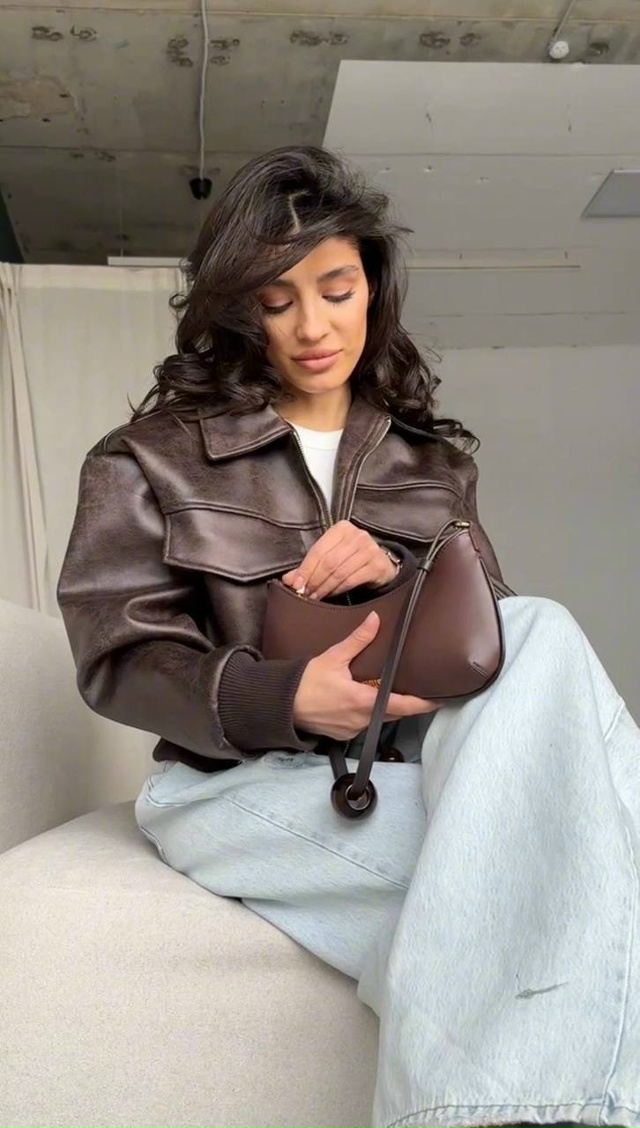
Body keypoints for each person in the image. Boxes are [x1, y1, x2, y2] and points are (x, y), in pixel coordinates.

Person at [58, 146, 640, 1128]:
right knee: (586, 867)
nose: (313, 326)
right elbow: (118, 655)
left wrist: (395, 576)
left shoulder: (431, 464)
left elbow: (497, 655)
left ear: (373, 285)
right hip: (233, 786)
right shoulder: (147, 460)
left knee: (539, 637)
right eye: (276, 301)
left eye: (336, 290)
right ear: (239, 309)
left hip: (410, 768)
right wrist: (282, 698)